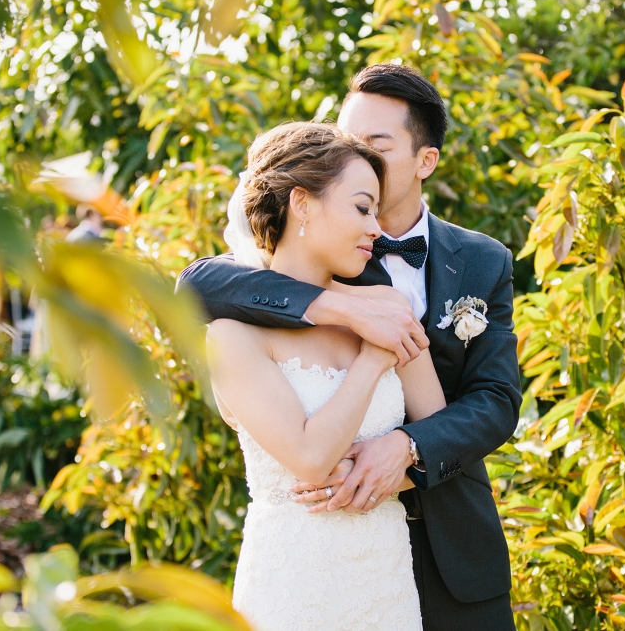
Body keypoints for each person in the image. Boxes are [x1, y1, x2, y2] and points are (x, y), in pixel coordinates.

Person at [179, 64, 522, 630]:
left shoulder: (484, 261)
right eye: (347, 137)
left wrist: (409, 449)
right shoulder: (318, 270)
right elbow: (196, 285)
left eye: (375, 145)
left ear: (425, 161)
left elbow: (495, 399)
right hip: (308, 569)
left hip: (449, 541)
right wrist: (339, 306)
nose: (353, 150)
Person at [208, 121, 446, 630]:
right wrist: (374, 360)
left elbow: (441, 434)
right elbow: (312, 458)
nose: (375, 228)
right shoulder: (233, 334)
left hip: (385, 584)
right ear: (303, 205)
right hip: (293, 588)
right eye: (362, 207)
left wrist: (393, 469)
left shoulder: (387, 305)